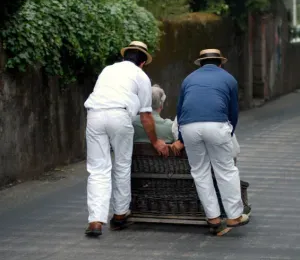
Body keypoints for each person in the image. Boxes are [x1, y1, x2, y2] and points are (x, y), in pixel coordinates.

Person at [84, 41, 169, 237]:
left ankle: (96, 220)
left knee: (98, 169)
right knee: (122, 165)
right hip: (120, 115)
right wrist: (155, 141)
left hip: (94, 115)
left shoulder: (107, 70)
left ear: (124, 57)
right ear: (142, 62)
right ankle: (120, 215)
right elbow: (146, 116)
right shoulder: (141, 76)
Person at [176, 48, 250, 235]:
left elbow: (180, 109)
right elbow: (233, 111)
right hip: (217, 124)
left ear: (200, 63)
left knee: (200, 172)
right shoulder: (228, 79)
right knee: (225, 169)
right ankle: (233, 216)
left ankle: (213, 218)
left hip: (188, 127)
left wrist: (181, 138)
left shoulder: (188, 79)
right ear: (220, 63)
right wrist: (229, 131)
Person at [133, 85, 184, 153]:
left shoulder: (131, 123)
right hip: (162, 163)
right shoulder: (171, 127)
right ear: (161, 106)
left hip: (135, 163)